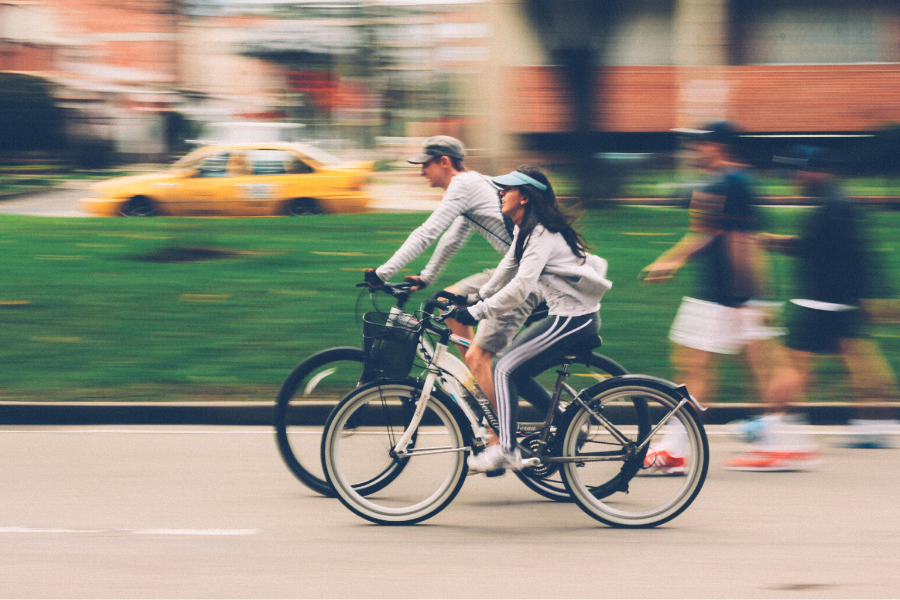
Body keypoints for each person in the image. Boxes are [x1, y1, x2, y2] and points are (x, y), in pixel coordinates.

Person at [726, 146, 899, 469]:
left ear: (816, 170)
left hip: (820, 300)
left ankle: (776, 439)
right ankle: (874, 425)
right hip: (838, 300)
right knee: (860, 359)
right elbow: (844, 251)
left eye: (798, 172)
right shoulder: (835, 200)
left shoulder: (832, 205)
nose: (794, 179)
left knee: (790, 366)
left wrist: (771, 241)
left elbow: (823, 250)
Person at [640, 121, 783, 474]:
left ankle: (773, 445)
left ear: (719, 146)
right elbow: (711, 235)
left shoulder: (731, 183)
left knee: (720, 367)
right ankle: (774, 442)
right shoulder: (730, 181)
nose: (695, 149)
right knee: (709, 367)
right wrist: (672, 261)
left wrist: (746, 297)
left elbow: (741, 239)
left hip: (727, 296)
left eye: (701, 144)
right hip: (726, 294)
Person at [364, 136, 542, 414]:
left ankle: (498, 427)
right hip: (515, 268)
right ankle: (479, 385)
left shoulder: (463, 185)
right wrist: (426, 277)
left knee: (479, 356)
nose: (421, 171)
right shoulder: (472, 184)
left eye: (425, 164)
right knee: (449, 302)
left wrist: (382, 273)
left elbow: (427, 233)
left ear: (444, 162)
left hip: (527, 277)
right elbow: (452, 239)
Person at [460, 166, 612, 472]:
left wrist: (477, 311)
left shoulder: (542, 233)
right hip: (566, 316)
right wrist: (476, 296)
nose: (501, 193)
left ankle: (506, 449)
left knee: (503, 369)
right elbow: (509, 265)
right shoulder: (526, 228)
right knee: (516, 372)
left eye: (508, 189)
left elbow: (521, 287)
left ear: (525, 197)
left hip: (573, 319)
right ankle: (566, 423)